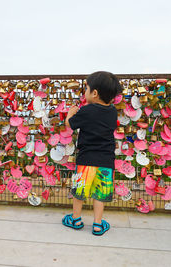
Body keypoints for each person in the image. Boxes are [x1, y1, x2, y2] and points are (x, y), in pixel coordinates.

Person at [62, 71, 122, 236]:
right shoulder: (112, 111)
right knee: (100, 194)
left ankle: (75, 219)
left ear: (94, 93)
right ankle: (97, 224)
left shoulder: (86, 111)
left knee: (80, 192)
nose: (85, 93)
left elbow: (70, 125)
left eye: (86, 89)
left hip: (86, 160)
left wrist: (70, 113)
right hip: (106, 161)